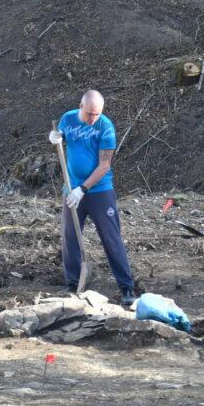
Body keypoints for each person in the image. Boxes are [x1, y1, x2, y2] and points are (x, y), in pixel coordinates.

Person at [49, 90, 136, 306]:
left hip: (99, 191)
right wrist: (55, 138)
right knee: (70, 236)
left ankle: (126, 286)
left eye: (97, 114)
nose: (92, 118)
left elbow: (104, 165)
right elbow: (61, 136)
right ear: (81, 106)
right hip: (71, 189)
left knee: (111, 237)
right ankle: (73, 282)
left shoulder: (105, 126)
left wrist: (83, 189)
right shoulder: (67, 119)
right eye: (89, 113)